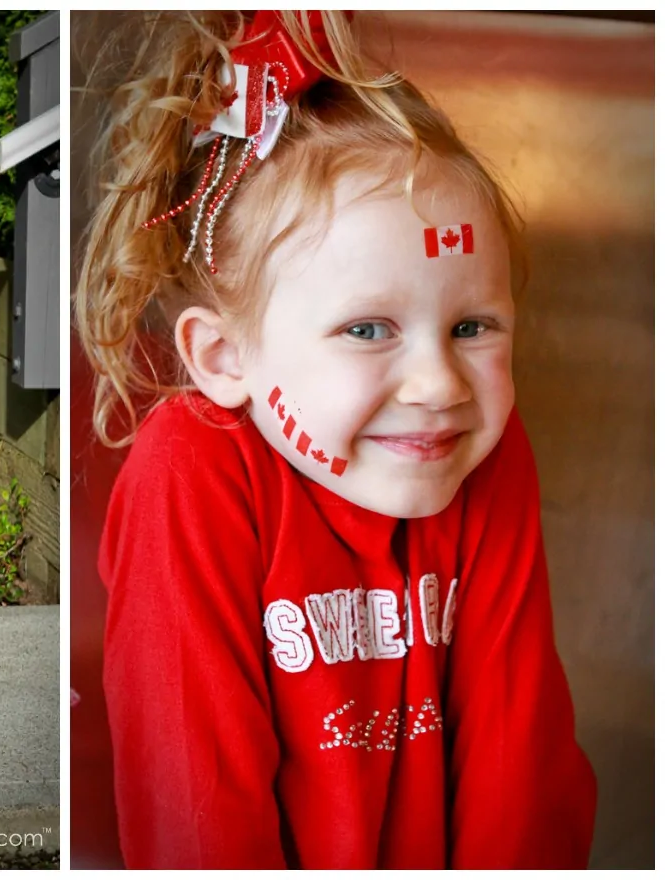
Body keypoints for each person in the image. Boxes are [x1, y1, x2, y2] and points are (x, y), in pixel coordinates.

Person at [75, 10, 597, 870]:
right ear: (225, 355)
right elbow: (197, 818)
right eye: (367, 330)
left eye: (473, 326)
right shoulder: (193, 474)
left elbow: (522, 768)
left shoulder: (484, 452)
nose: (439, 385)